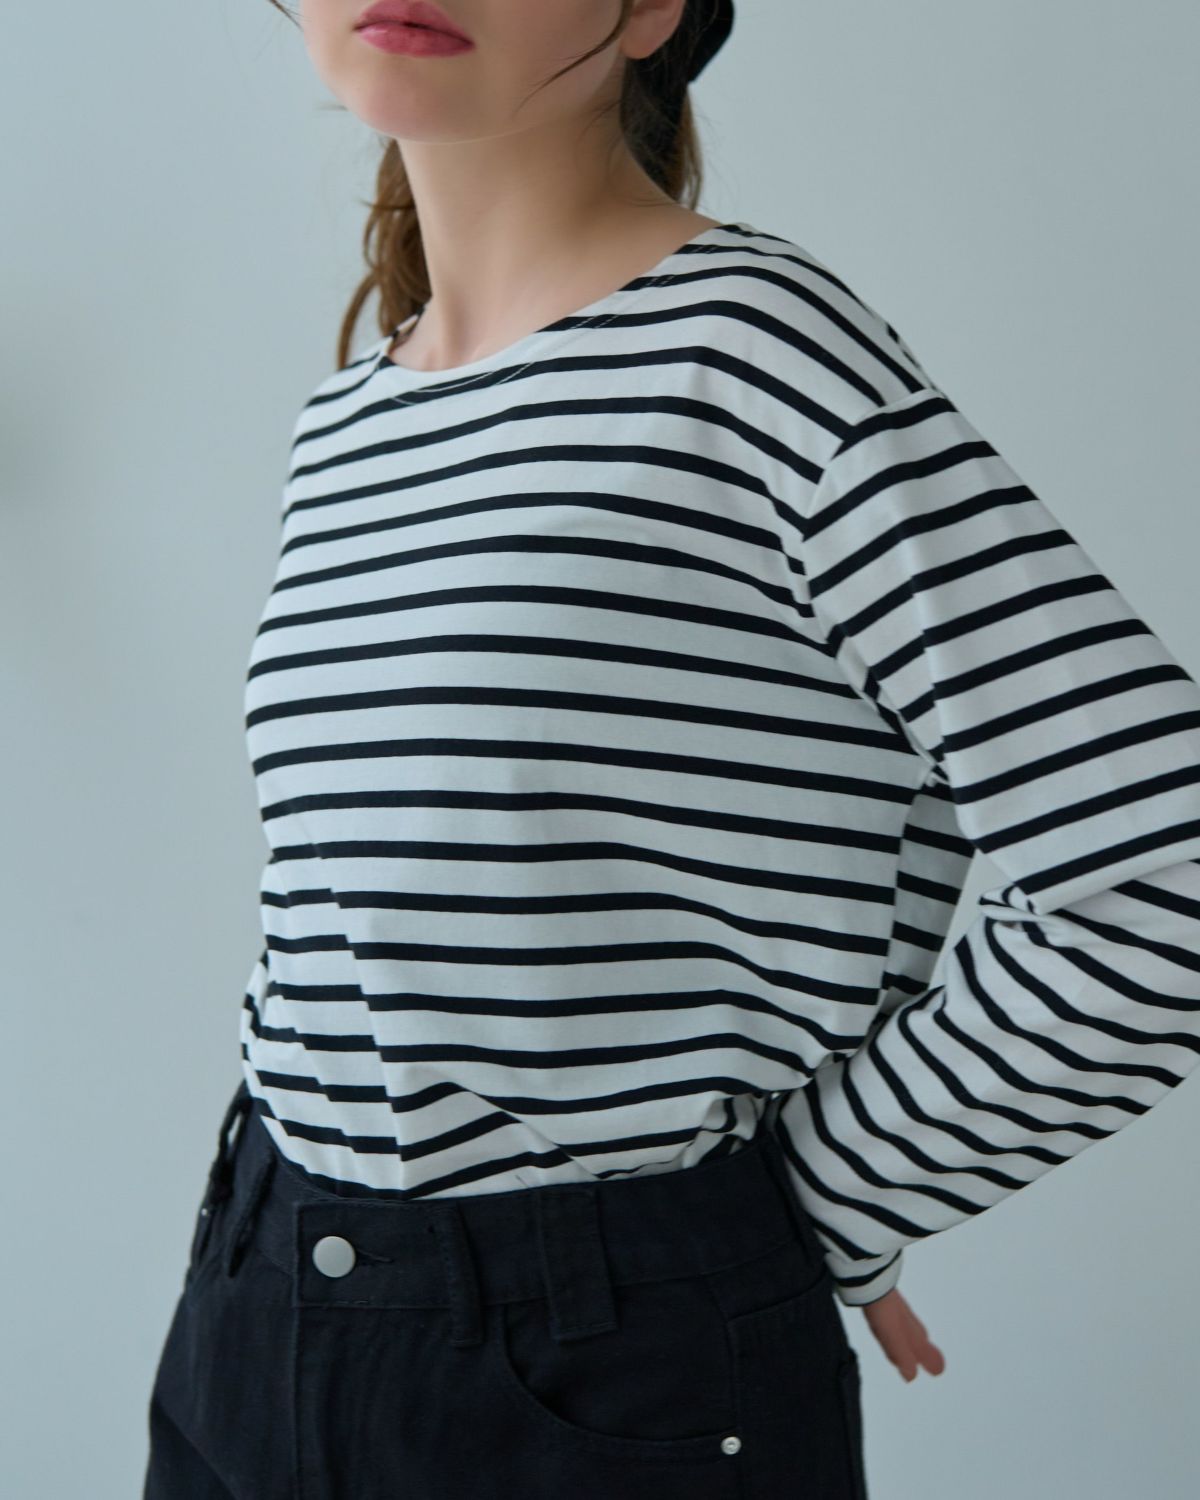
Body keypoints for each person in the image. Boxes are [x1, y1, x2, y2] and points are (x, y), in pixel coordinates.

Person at [141, 2, 1200, 1497]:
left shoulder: (755, 352)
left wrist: (805, 1207)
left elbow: (1154, 879)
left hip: (598, 1373)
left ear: (651, 8)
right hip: (252, 1309)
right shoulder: (351, 419)